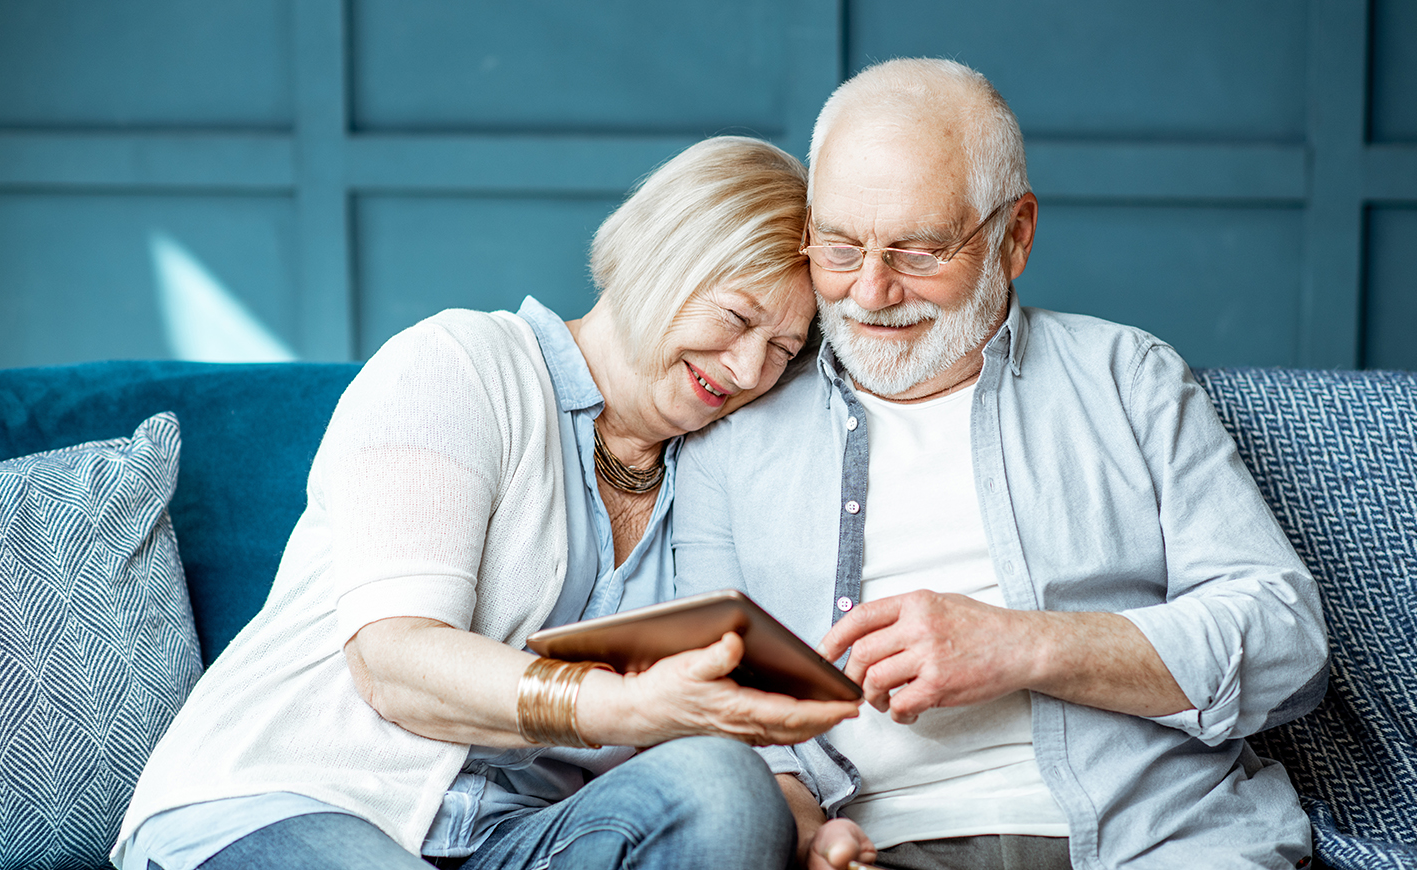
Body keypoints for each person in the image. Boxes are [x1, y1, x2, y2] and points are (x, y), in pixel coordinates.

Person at [113, 135, 861, 870]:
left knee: (723, 790)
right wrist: (613, 707)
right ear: (656, 258)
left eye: (782, 350)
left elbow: (730, 719)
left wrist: (805, 830)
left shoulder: (708, 478)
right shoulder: (461, 363)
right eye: (736, 319)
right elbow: (393, 662)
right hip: (301, 795)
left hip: (511, 838)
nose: (747, 370)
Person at [673, 59, 1329, 870]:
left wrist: (1025, 646)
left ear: (1015, 235)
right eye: (839, 248)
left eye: (919, 251)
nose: (869, 293)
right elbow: (719, 702)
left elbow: (1287, 644)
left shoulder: (1128, 378)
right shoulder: (733, 434)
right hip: (877, 847)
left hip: (1154, 839)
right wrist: (801, 822)